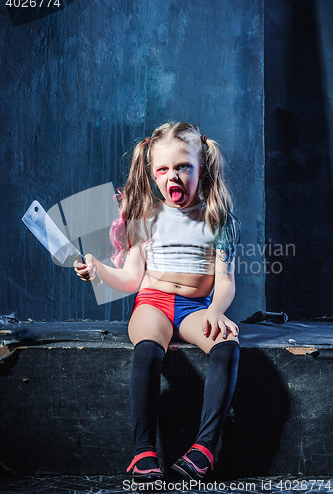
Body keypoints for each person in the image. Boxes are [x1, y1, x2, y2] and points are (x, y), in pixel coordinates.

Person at [74, 122, 240, 484]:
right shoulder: (147, 218)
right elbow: (132, 278)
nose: (173, 177)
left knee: (227, 345)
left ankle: (205, 449)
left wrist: (215, 311)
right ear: (152, 173)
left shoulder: (216, 219)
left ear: (202, 168)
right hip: (154, 302)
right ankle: (143, 451)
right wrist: (100, 269)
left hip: (197, 308)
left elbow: (225, 280)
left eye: (183, 167)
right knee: (148, 348)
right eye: (163, 169)